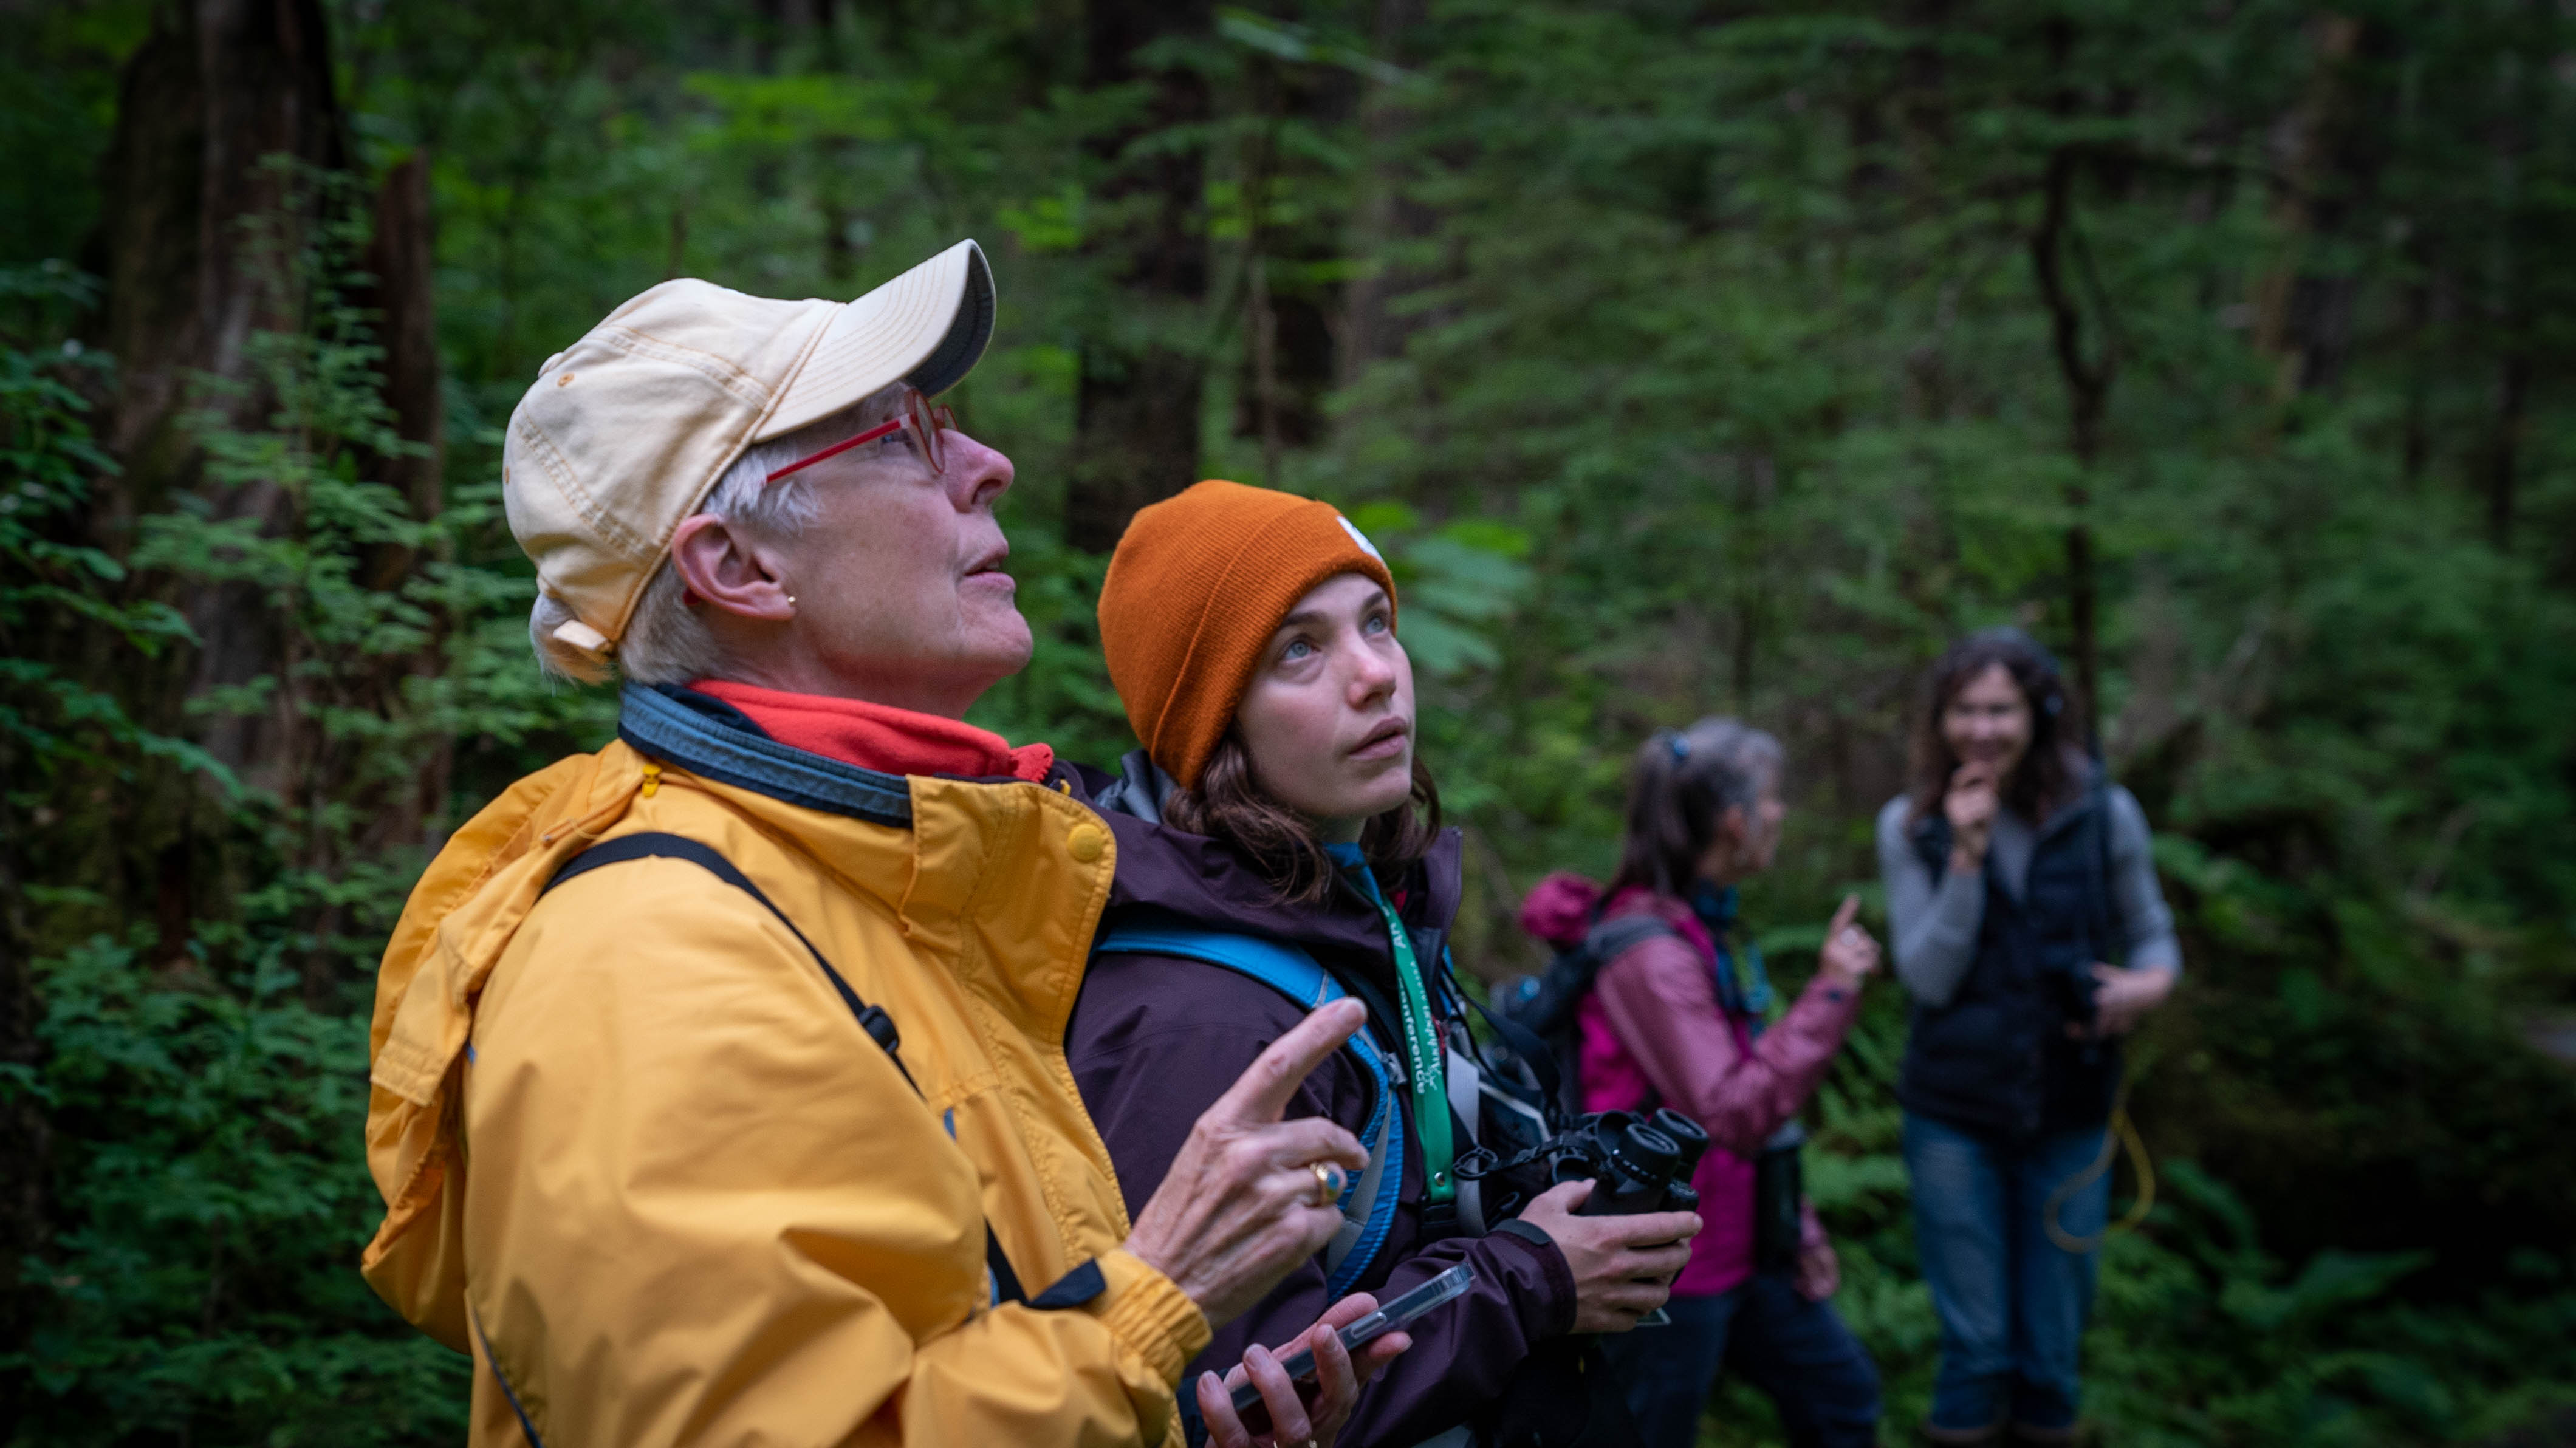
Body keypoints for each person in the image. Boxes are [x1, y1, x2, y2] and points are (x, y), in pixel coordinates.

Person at [359, 245, 1404, 1447]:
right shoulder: (652, 965)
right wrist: (1153, 1299)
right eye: (904, 438)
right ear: (737, 567)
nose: (988, 466)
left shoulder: (883, 891)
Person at [1067, 480, 1702, 1448]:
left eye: (1376, 622)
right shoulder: (1202, 1020)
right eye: (1299, 650)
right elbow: (1238, 1410)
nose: (1375, 675)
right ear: (1212, 720)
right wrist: (1534, 1277)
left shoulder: (1350, 899)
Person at [1519, 717, 1886, 1448]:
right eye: (1773, 799)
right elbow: (1730, 1109)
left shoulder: (1701, 929)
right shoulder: (1652, 953)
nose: (1780, 814)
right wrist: (1833, 993)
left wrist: (1795, 1223)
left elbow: (1748, 1085)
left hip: (1742, 1243)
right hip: (1671, 1268)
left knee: (1843, 1397)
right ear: (1733, 819)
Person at [1876, 628, 2182, 1445]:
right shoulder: (1909, 826)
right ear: (1939, 722)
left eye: (2001, 710)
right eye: (1964, 711)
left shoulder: (2104, 812)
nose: (1982, 729)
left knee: (2051, 1355)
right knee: (1977, 1350)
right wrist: (1968, 858)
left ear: (2041, 713)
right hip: (1953, 1115)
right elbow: (1928, 978)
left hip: (2075, 1111)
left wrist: (2147, 985)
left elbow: (2153, 933)